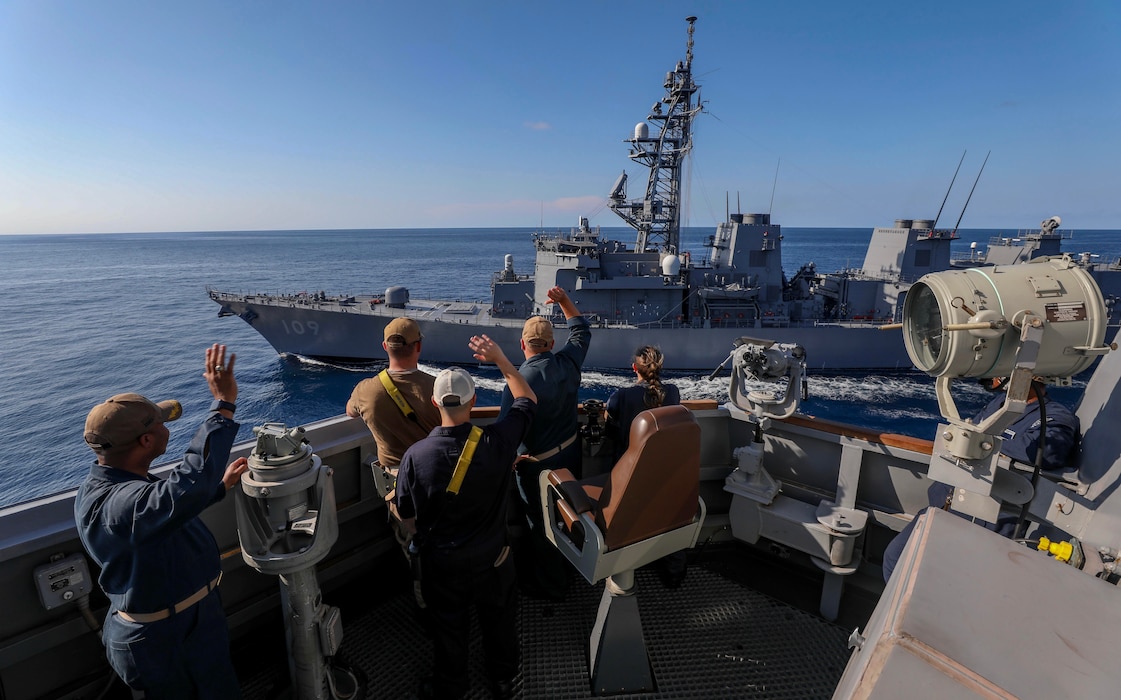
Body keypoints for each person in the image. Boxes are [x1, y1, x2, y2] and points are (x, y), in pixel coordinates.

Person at [74, 343, 249, 698]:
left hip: (187, 623)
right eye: (162, 423)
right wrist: (224, 404)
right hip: (164, 639)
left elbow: (162, 516)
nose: (169, 426)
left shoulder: (119, 483)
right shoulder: (120, 506)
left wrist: (216, 489)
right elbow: (175, 494)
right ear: (147, 439)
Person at [395, 334, 537, 700]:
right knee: (500, 623)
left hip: (443, 565)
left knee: (449, 629)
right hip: (494, 558)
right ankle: (503, 681)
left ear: (434, 402)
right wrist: (502, 360)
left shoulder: (415, 456)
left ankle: (452, 687)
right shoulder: (499, 442)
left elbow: (407, 514)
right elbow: (526, 399)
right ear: (475, 401)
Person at [882, 377, 1080, 581]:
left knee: (941, 580)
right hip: (944, 507)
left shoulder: (1056, 415)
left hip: (981, 524)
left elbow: (1050, 451)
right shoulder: (1000, 404)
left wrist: (985, 444)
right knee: (895, 559)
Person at [499, 285, 591, 600]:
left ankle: (552, 586)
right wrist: (564, 300)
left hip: (537, 469)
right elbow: (581, 332)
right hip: (571, 453)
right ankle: (574, 567)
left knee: (543, 527)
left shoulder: (518, 381)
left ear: (522, 343)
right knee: (570, 516)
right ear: (552, 343)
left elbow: (506, 432)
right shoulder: (568, 363)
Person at [346, 317, 441, 540]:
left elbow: (350, 411)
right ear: (418, 346)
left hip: (398, 485)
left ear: (385, 347)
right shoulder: (438, 386)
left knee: (412, 545)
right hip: (438, 476)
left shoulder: (365, 390)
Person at [605, 345, 687, 586]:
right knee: (669, 521)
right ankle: (674, 576)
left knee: (624, 522)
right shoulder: (673, 392)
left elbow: (612, 431)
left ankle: (622, 574)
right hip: (666, 474)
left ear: (634, 368)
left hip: (630, 477)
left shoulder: (621, 396)